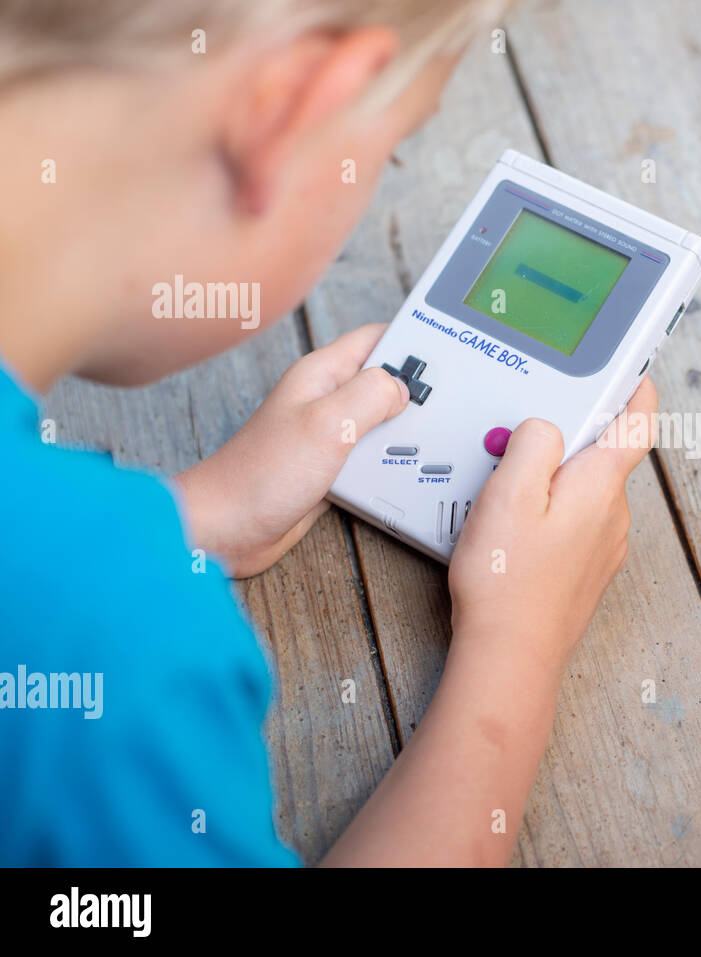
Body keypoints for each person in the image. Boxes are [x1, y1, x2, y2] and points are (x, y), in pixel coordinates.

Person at [0, 0, 657, 866]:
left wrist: (193, 517)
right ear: (286, 111)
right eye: (383, 154)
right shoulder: (119, 646)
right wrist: (517, 648)